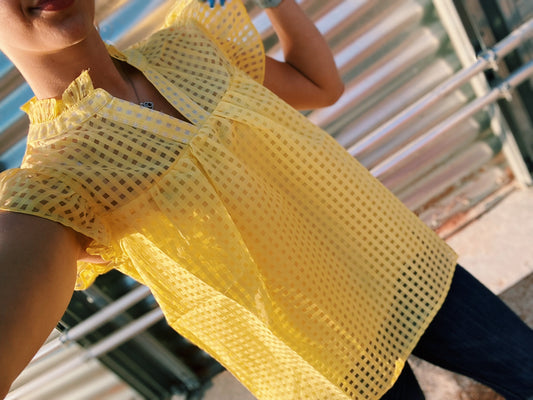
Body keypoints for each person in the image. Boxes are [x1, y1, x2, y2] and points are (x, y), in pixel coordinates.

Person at [0, 0, 531, 399]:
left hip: (395, 264)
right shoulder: (56, 180)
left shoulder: (187, 48)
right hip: (321, 355)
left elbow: (317, 85)